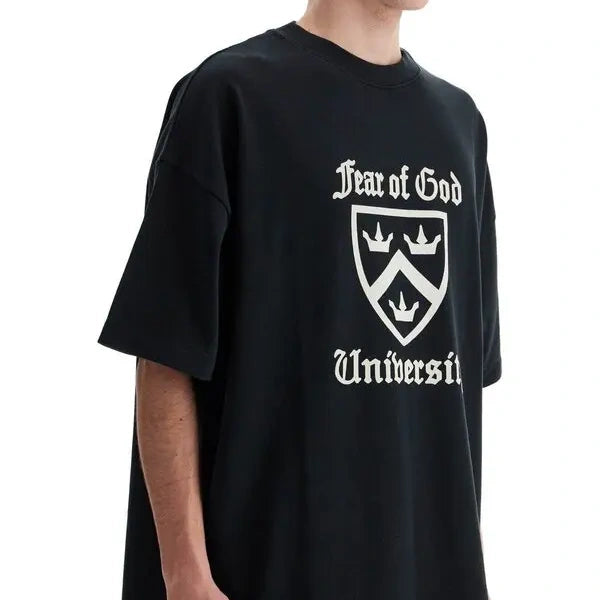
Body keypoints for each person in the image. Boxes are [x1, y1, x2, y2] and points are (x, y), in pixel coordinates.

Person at [99, 1, 502, 599]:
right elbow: (164, 355)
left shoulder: (460, 125)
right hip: (261, 572)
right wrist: (186, 576)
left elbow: (454, 390)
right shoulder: (231, 97)